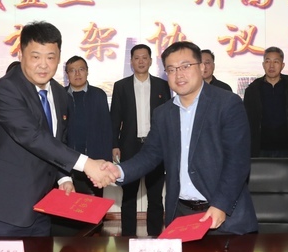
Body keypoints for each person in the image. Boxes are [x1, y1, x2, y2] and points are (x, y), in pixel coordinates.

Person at [0, 21, 115, 237]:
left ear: (59, 57)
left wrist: (64, 178)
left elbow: (57, 141)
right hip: (3, 208)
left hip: (41, 208)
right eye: (36, 57)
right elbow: (33, 137)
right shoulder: (6, 89)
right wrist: (87, 164)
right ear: (21, 55)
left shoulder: (59, 93)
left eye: (50, 57)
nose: (43, 65)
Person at [105, 41, 258, 235]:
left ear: (201, 67)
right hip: (181, 215)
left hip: (223, 216)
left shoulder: (227, 103)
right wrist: (118, 171)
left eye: (185, 66)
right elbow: (149, 155)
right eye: (171, 69)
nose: (179, 74)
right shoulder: (163, 113)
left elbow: (237, 162)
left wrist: (221, 205)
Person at [110, 44, 171, 236]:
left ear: (151, 61)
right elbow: (115, 117)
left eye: (145, 57)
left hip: (155, 147)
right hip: (129, 146)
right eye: (137, 58)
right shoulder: (121, 86)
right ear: (131, 61)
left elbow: (168, 117)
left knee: (155, 196)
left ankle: (155, 236)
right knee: (128, 195)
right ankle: (127, 238)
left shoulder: (162, 85)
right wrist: (114, 144)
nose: (141, 61)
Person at [243, 46, 288, 162]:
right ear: (263, 64)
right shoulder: (252, 90)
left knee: (286, 175)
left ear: (282, 65)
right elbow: (245, 122)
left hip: (287, 149)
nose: (271, 66)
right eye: (268, 61)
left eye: (276, 62)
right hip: (259, 149)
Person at [64, 55, 112, 196]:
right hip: (68, 162)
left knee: (94, 204)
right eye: (72, 70)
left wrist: (106, 162)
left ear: (87, 71)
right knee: (69, 204)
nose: (77, 74)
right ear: (67, 74)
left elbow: (106, 129)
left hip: (95, 162)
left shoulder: (98, 95)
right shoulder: (60, 95)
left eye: (81, 69)